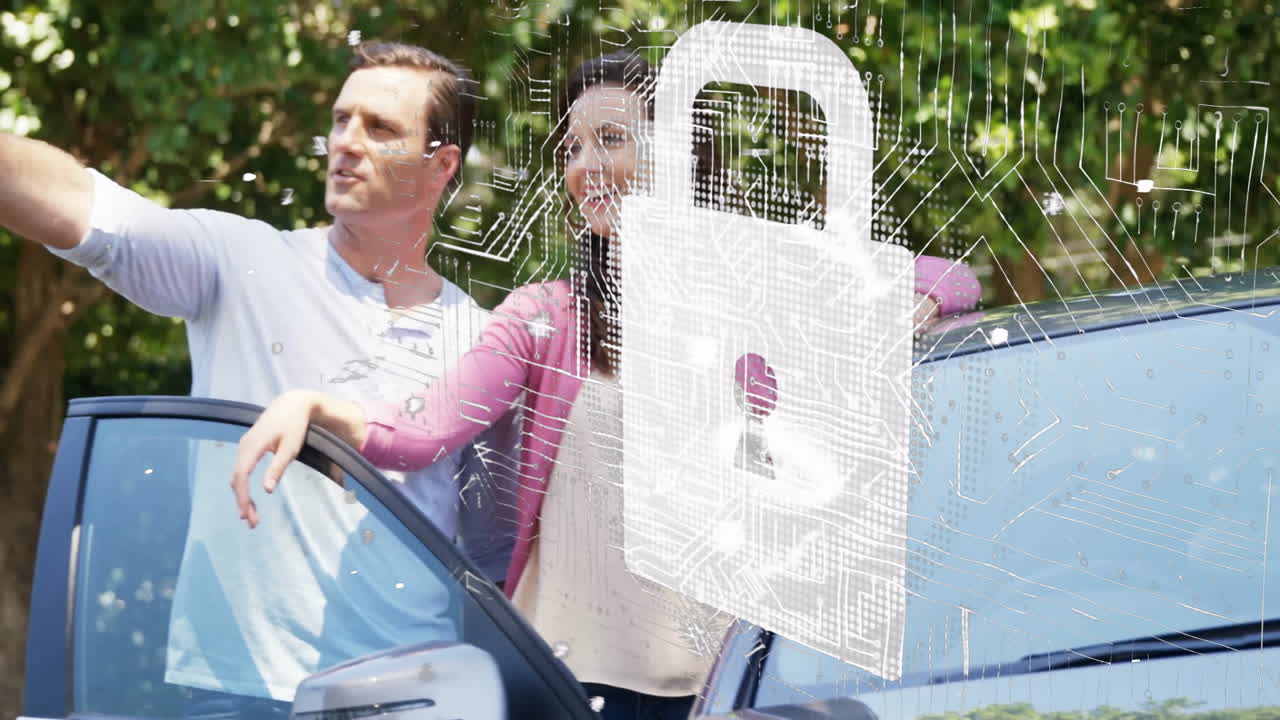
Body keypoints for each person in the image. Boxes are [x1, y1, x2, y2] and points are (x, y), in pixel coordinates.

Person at [232, 51, 982, 719]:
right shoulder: (545, 320)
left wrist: (885, 313)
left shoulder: (760, 307)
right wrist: (314, 404)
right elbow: (423, 429)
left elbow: (952, 279)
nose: (585, 165)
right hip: (574, 688)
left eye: (611, 140)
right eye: (574, 147)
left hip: (727, 689)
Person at [0, 41, 517, 713]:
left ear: (441, 165)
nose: (346, 142)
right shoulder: (242, 261)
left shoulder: (481, 339)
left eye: (380, 128)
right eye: (340, 120)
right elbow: (79, 206)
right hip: (238, 689)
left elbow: (494, 549)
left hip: (417, 695)